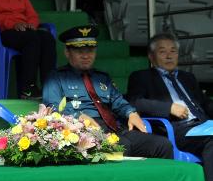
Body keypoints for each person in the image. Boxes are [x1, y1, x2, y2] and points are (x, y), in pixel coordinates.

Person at [43, 26, 173, 159]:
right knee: (122, 146)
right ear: (67, 52)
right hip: (84, 132)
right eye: (80, 51)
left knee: (163, 146)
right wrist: (77, 117)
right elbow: (52, 110)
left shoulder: (102, 77)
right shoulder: (56, 78)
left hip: (116, 129)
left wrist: (131, 112)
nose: (86, 55)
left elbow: (118, 102)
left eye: (90, 50)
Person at [127, 33, 213, 181]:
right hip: (178, 129)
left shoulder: (187, 78)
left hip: (203, 124)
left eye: (173, 51)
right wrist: (168, 108)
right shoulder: (141, 76)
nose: (169, 55)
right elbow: (135, 102)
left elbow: (205, 105)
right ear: (151, 57)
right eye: (162, 51)